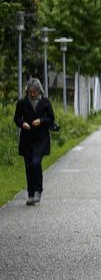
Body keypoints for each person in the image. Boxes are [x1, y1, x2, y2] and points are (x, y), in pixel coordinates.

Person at [13, 78, 55, 206]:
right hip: (26, 140)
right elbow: (16, 119)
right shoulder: (22, 103)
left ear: (39, 91)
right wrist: (23, 123)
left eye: (34, 92)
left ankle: (38, 191)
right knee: (28, 167)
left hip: (41, 139)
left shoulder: (45, 103)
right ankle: (30, 194)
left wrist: (41, 121)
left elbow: (51, 119)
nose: (32, 94)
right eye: (30, 92)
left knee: (36, 163)